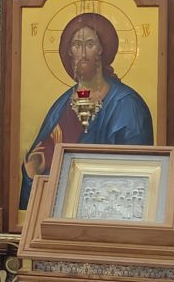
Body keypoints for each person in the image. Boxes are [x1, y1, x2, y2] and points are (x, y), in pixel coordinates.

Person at [21, 13, 154, 207]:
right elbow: (40, 163)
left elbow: (136, 175)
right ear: (69, 51)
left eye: (90, 44)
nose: (83, 54)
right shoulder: (62, 105)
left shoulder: (127, 105)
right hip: (60, 207)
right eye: (77, 45)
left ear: (101, 50)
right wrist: (32, 171)